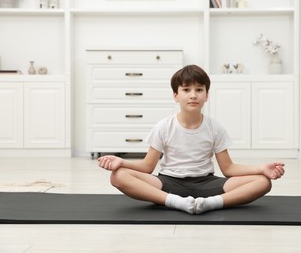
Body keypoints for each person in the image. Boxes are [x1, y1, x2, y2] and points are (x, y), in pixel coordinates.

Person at [98, 64, 285, 214]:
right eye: (186, 89)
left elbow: (229, 169)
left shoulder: (214, 127)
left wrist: (261, 168)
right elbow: (148, 166)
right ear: (176, 96)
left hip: (207, 183)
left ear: (207, 95)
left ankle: (211, 204)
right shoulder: (164, 126)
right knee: (118, 176)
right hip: (168, 183)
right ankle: (175, 202)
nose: (193, 95)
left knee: (263, 182)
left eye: (199, 89)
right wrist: (121, 162)